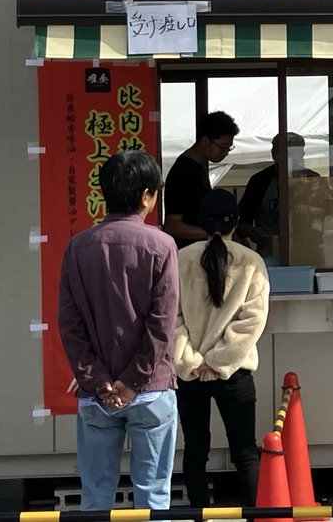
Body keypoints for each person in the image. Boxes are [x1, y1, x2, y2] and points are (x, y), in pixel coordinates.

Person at [57, 150, 180, 511]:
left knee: (95, 497)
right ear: (145, 196)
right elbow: (162, 324)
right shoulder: (162, 245)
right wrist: (133, 381)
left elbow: (70, 323)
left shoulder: (77, 247)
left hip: (98, 394)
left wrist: (99, 381)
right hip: (151, 391)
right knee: (154, 495)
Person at [173, 188, 269, 507]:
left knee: (195, 451)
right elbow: (251, 322)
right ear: (237, 222)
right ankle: (256, 516)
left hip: (191, 375)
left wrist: (193, 362)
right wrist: (218, 361)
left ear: (201, 221)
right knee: (245, 451)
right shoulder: (251, 261)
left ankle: (200, 514)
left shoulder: (181, 259)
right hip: (236, 372)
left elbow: (172, 318)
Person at [164, 111, 239, 249]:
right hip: (187, 254)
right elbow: (172, 225)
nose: (226, 153)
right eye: (222, 147)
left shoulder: (200, 166)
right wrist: (215, 233)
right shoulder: (183, 172)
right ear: (205, 141)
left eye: (229, 148)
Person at [236, 131, 318, 256]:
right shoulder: (260, 181)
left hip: (309, 250)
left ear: (302, 154)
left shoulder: (312, 179)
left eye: (294, 152)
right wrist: (254, 232)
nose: (288, 156)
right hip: (271, 252)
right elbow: (241, 223)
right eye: (284, 152)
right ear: (274, 154)